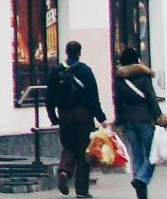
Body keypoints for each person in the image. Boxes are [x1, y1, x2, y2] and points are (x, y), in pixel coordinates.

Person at [49, 40, 109, 197]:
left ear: (66, 52)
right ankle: (82, 191)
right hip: (83, 115)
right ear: (79, 52)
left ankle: (64, 172)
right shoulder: (85, 71)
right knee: (84, 151)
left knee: (68, 146)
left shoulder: (55, 71)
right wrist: (101, 118)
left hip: (64, 114)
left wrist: (53, 116)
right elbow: (93, 97)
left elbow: (49, 96)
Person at [114, 46, 160, 199]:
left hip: (128, 121)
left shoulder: (119, 79)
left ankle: (141, 192)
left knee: (137, 155)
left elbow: (117, 102)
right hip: (145, 119)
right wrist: (159, 116)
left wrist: (119, 120)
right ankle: (141, 180)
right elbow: (151, 98)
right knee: (152, 156)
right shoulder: (143, 77)